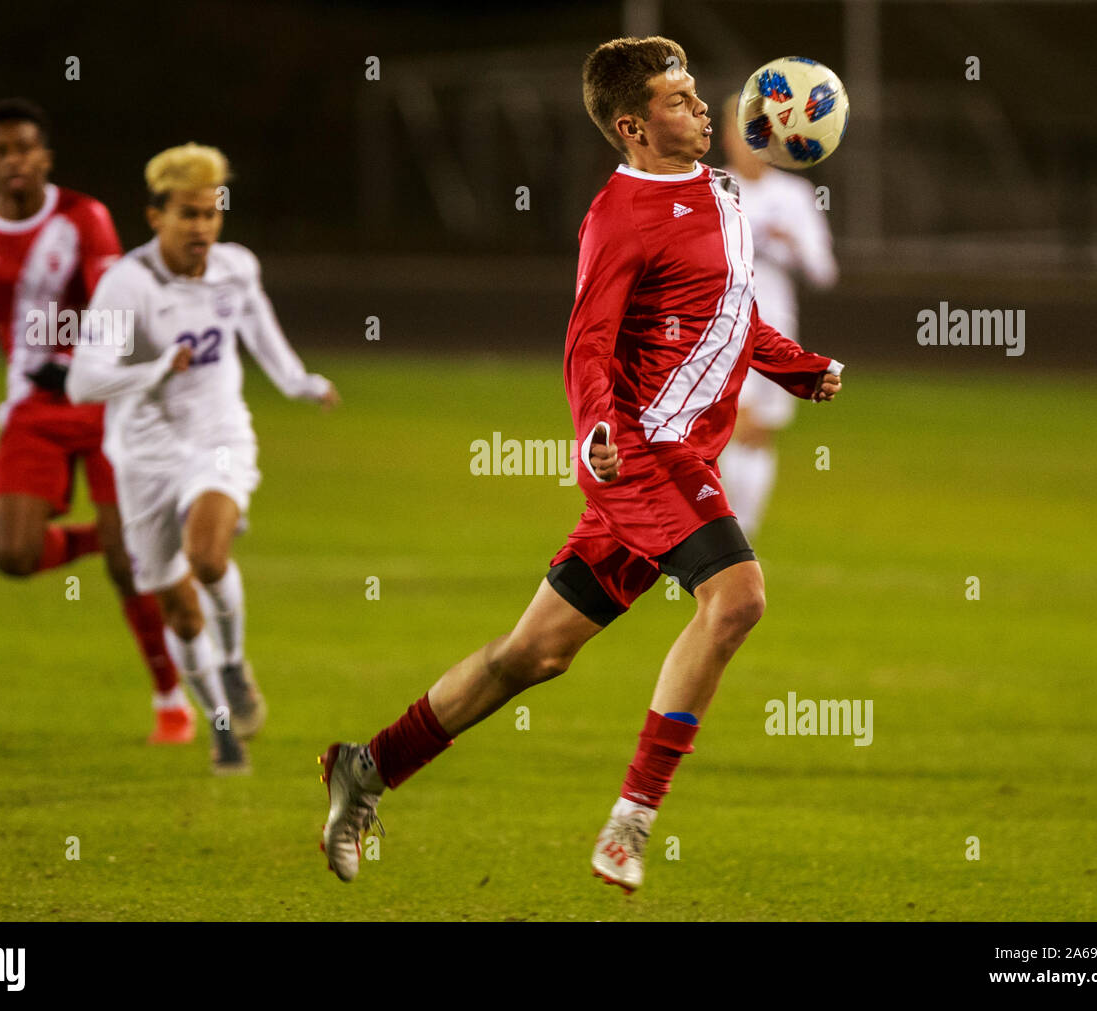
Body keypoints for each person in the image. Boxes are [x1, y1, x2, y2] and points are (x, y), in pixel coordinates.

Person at [318, 36, 844, 892]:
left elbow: (732, 316)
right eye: (679, 100)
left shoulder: (721, 193)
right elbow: (587, 341)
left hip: (677, 456)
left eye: (695, 90)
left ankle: (367, 767)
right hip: (639, 455)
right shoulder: (618, 214)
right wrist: (598, 423)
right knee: (738, 597)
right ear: (634, 127)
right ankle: (631, 822)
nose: (703, 107)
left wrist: (798, 366)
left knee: (533, 654)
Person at [67, 143, 340, 774]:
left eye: (212, 215)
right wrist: (155, 368)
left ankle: (236, 664)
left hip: (219, 439)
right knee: (178, 610)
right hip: (143, 458)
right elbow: (84, 382)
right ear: (154, 216)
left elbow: (259, 329)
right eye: (188, 215)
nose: (203, 229)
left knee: (208, 556)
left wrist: (298, 381)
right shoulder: (126, 285)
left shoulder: (235, 268)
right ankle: (219, 723)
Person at [0, 98, 193, 745]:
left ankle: (171, 699)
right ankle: (101, 538)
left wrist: (84, 362)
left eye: (24, 147)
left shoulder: (84, 218)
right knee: (11, 554)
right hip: (32, 410)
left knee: (131, 569)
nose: (14, 160)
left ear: (44, 156)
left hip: (107, 403)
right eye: (1, 151)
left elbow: (113, 300)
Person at [716, 92, 839, 535]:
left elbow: (824, 271)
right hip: (721, 327)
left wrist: (790, 245)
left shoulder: (794, 194)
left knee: (757, 433)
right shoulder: (711, 188)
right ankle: (724, 538)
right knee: (736, 422)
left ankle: (740, 536)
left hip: (776, 328)